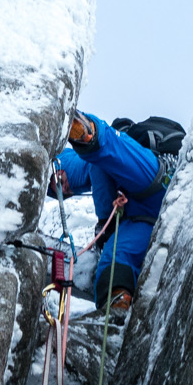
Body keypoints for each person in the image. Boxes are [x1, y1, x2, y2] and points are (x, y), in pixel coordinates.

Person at [47, 111, 171, 318]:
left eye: (60, 186)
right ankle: (116, 305)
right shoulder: (82, 180)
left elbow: (91, 164)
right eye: (63, 192)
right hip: (143, 217)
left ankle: (84, 132)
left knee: (108, 151)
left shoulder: (72, 165)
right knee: (114, 257)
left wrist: (106, 221)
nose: (64, 189)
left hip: (158, 178)